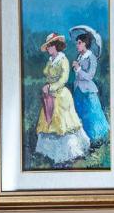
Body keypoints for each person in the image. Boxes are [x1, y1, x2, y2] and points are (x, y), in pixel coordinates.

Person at [36, 32, 90, 166]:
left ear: (55, 46)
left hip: (61, 95)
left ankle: (69, 154)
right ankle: (50, 153)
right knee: (49, 121)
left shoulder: (63, 60)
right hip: (49, 95)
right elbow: (48, 74)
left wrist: (50, 87)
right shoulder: (50, 61)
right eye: (47, 46)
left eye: (49, 46)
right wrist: (47, 87)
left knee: (63, 123)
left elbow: (63, 79)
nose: (48, 49)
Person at [72, 32, 110, 145]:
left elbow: (89, 76)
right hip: (78, 90)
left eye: (79, 43)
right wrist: (76, 68)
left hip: (88, 91)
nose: (77, 45)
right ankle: (84, 141)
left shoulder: (91, 57)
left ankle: (97, 140)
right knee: (80, 114)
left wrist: (78, 69)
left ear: (85, 43)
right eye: (77, 43)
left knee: (92, 115)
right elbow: (78, 75)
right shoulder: (79, 57)